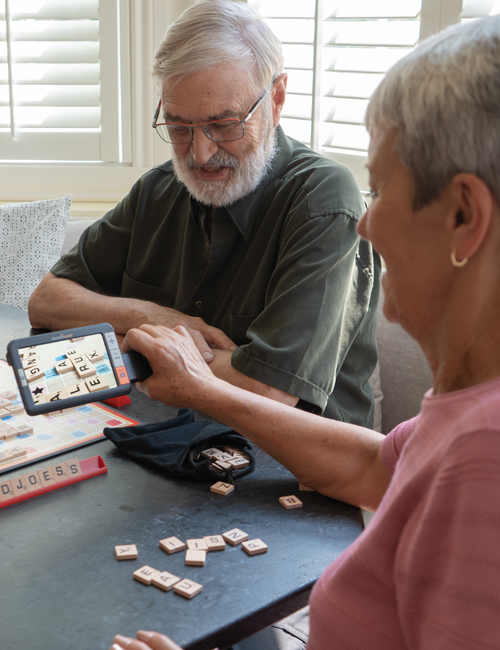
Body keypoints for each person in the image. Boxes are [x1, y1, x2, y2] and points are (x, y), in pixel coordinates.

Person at [107, 14, 500, 650]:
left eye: (381, 190)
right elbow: (371, 461)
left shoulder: (487, 453)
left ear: (463, 216)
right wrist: (205, 386)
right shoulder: (463, 410)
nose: (364, 225)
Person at [27, 0, 380, 428]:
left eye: (225, 124)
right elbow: (46, 301)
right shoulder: (159, 189)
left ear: (277, 99)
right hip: (160, 441)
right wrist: (154, 319)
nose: (200, 153)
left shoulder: (324, 200)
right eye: (178, 127)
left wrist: (124, 346)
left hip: (289, 472)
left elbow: (267, 390)